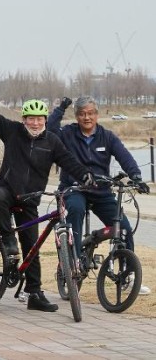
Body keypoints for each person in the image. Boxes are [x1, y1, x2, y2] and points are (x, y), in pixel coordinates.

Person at [0, 84, 93, 312]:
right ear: (24, 119)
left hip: (31, 198)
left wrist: (86, 175)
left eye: (39, 119)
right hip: (7, 189)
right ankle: (8, 241)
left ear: (45, 120)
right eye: (30, 118)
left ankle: (34, 293)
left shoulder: (52, 142)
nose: (35, 123)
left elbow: (68, 161)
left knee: (32, 247)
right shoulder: (12, 131)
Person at [48, 96, 151, 295]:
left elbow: (124, 156)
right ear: (77, 116)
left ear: (97, 115)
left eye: (90, 113)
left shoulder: (107, 136)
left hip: (101, 191)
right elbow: (50, 132)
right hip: (74, 188)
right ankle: (74, 266)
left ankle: (126, 275)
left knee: (124, 228)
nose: (87, 117)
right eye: (82, 114)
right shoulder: (68, 133)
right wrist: (60, 108)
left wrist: (136, 176)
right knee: (75, 211)